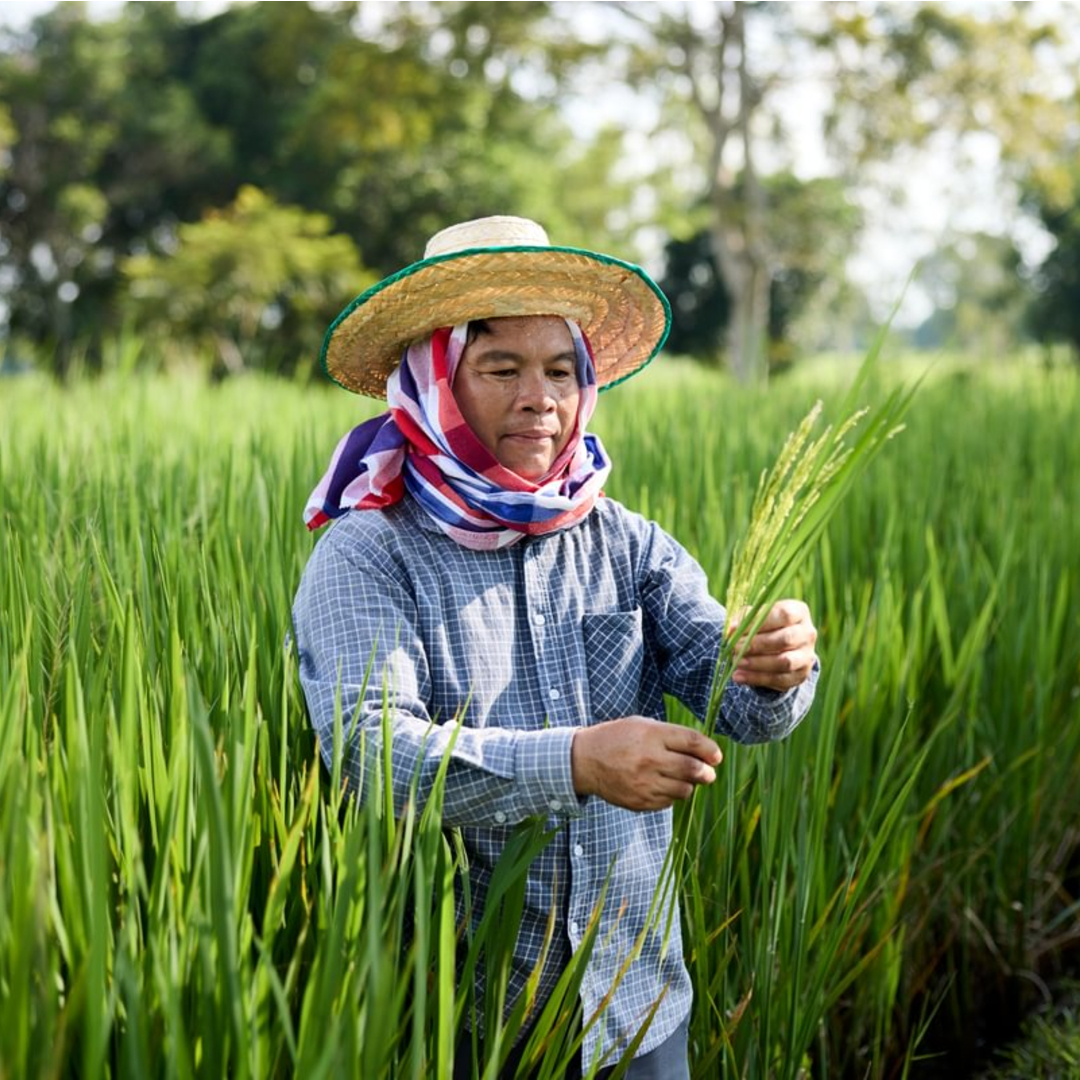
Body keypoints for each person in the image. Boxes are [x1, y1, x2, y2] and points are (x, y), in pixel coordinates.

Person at [292, 216, 819, 1078]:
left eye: (561, 370)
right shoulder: (369, 551)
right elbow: (369, 749)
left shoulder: (626, 542)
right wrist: (575, 763)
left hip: (637, 1008)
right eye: (502, 369)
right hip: (468, 1020)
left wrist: (776, 665)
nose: (540, 397)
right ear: (435, 383)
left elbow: (741, 708)